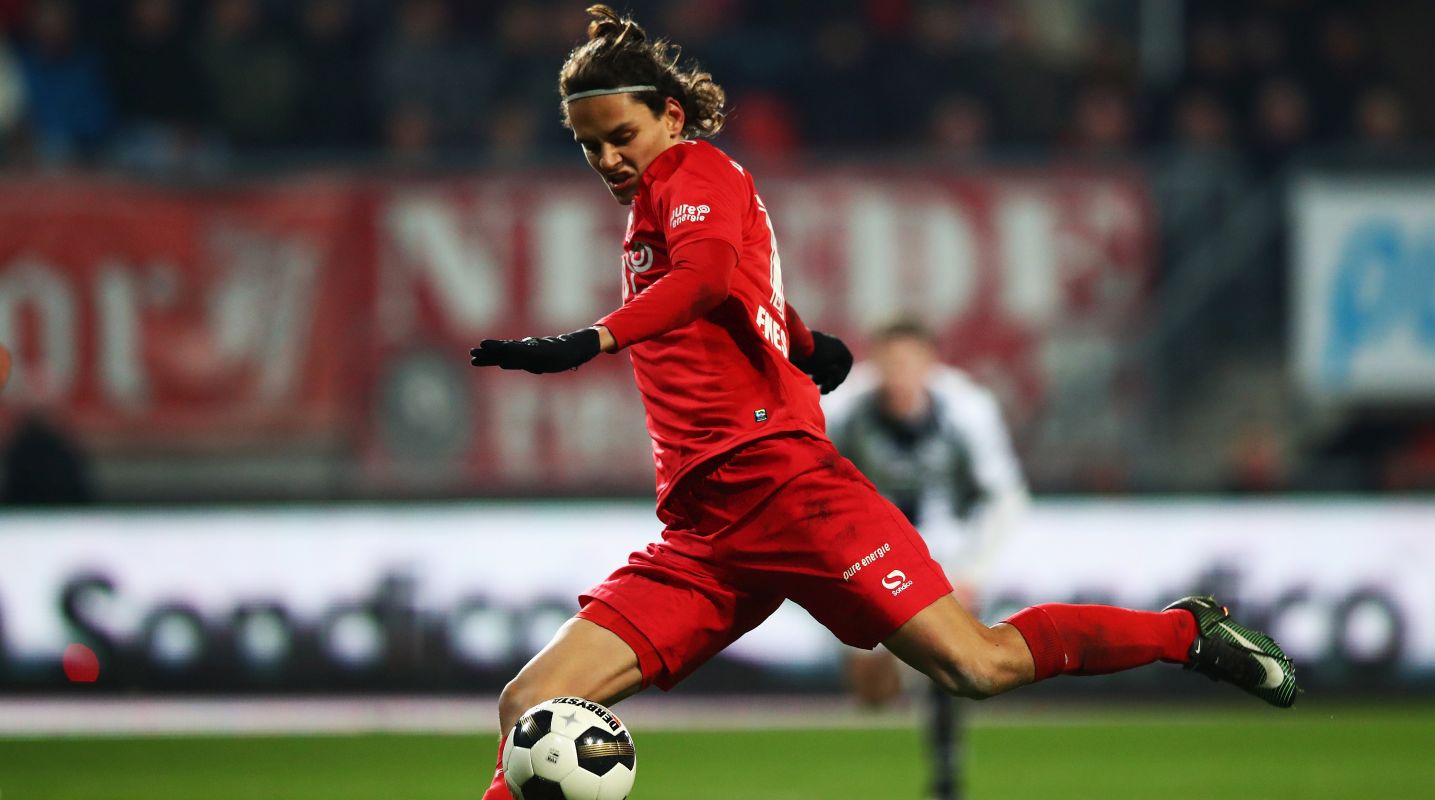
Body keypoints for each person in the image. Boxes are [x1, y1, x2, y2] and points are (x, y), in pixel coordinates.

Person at [470, 8, 1298, 798]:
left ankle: (1185, 633)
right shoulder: (654, 208)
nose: (610, 159)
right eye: (590, 147)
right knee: (527, 706)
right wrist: (803, 342)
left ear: (671, 118)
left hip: (788, 489)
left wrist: (590, 340)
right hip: (707, 528)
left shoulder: (696, 171)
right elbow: (737, 289)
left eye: (623, 136)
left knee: (977, 666)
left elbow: (708, 277)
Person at [823, 319, 1027, 800]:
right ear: (876, 365)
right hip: (870, 551)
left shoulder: (968, 409)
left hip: (945, 549)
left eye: (910, 363)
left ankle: (946, 771)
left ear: (930, 364)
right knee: (872, 694)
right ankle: (895, 672)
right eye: (890, 363)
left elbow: (1005, 498)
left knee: (952, 663)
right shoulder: (844, 411)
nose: (900, 374)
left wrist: (973, 572)